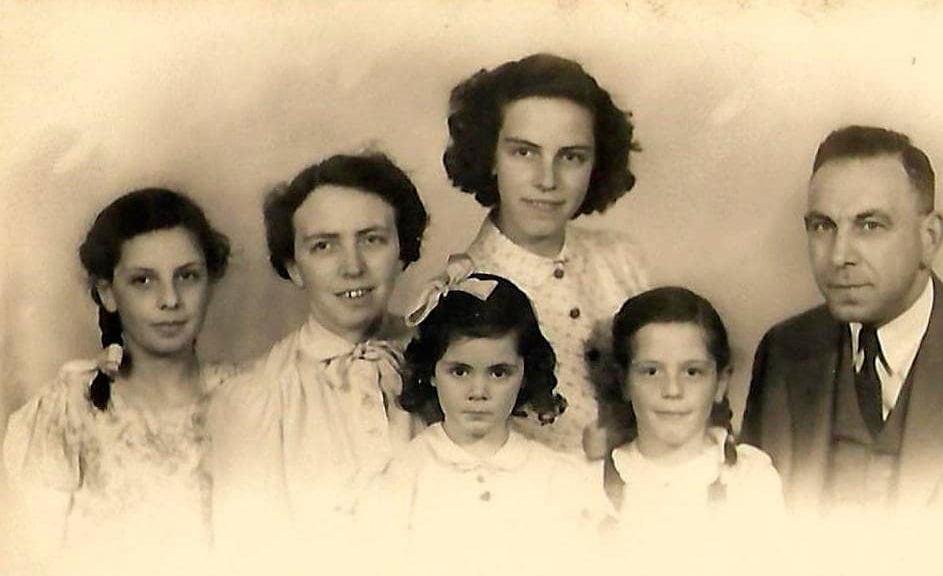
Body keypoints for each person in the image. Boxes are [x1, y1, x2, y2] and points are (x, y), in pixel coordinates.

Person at [741, 125, 943, 514]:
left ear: (930, 237)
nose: (839, 255)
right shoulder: (783, 352)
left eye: (870, 225)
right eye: (823, 226)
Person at [207, 152, 429, 534]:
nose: (352, 266)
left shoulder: (450, 361)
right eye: (324, 246)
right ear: (294, 267)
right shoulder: (259, 398)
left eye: (372, 240)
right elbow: (249, 563)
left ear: (402, 252)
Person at [2, 188, 234, 552]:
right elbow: (30, 575)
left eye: (187, 276)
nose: (170, 299)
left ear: (210, 282)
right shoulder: (66, 410)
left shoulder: (251, 398)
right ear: (108, 293)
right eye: (143, 280)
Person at [444, 53, 650, 458]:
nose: (548, 180)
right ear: (489, 157)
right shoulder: (465, 291)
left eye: (571, 157)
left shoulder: (622, 259)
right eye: (524, 153)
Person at [371, 260, 602, 550]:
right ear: (431, 371)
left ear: (524, 373)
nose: (478, 392)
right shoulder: (405, 476)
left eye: (498, 373)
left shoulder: (558, 479)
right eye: (460, 371)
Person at [602, 287, 782, 534]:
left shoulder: (750, 480)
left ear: (721, 382)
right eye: (652, 371)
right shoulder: (590, 486)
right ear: (624, 382)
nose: (673, 390)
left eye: (692, 372)